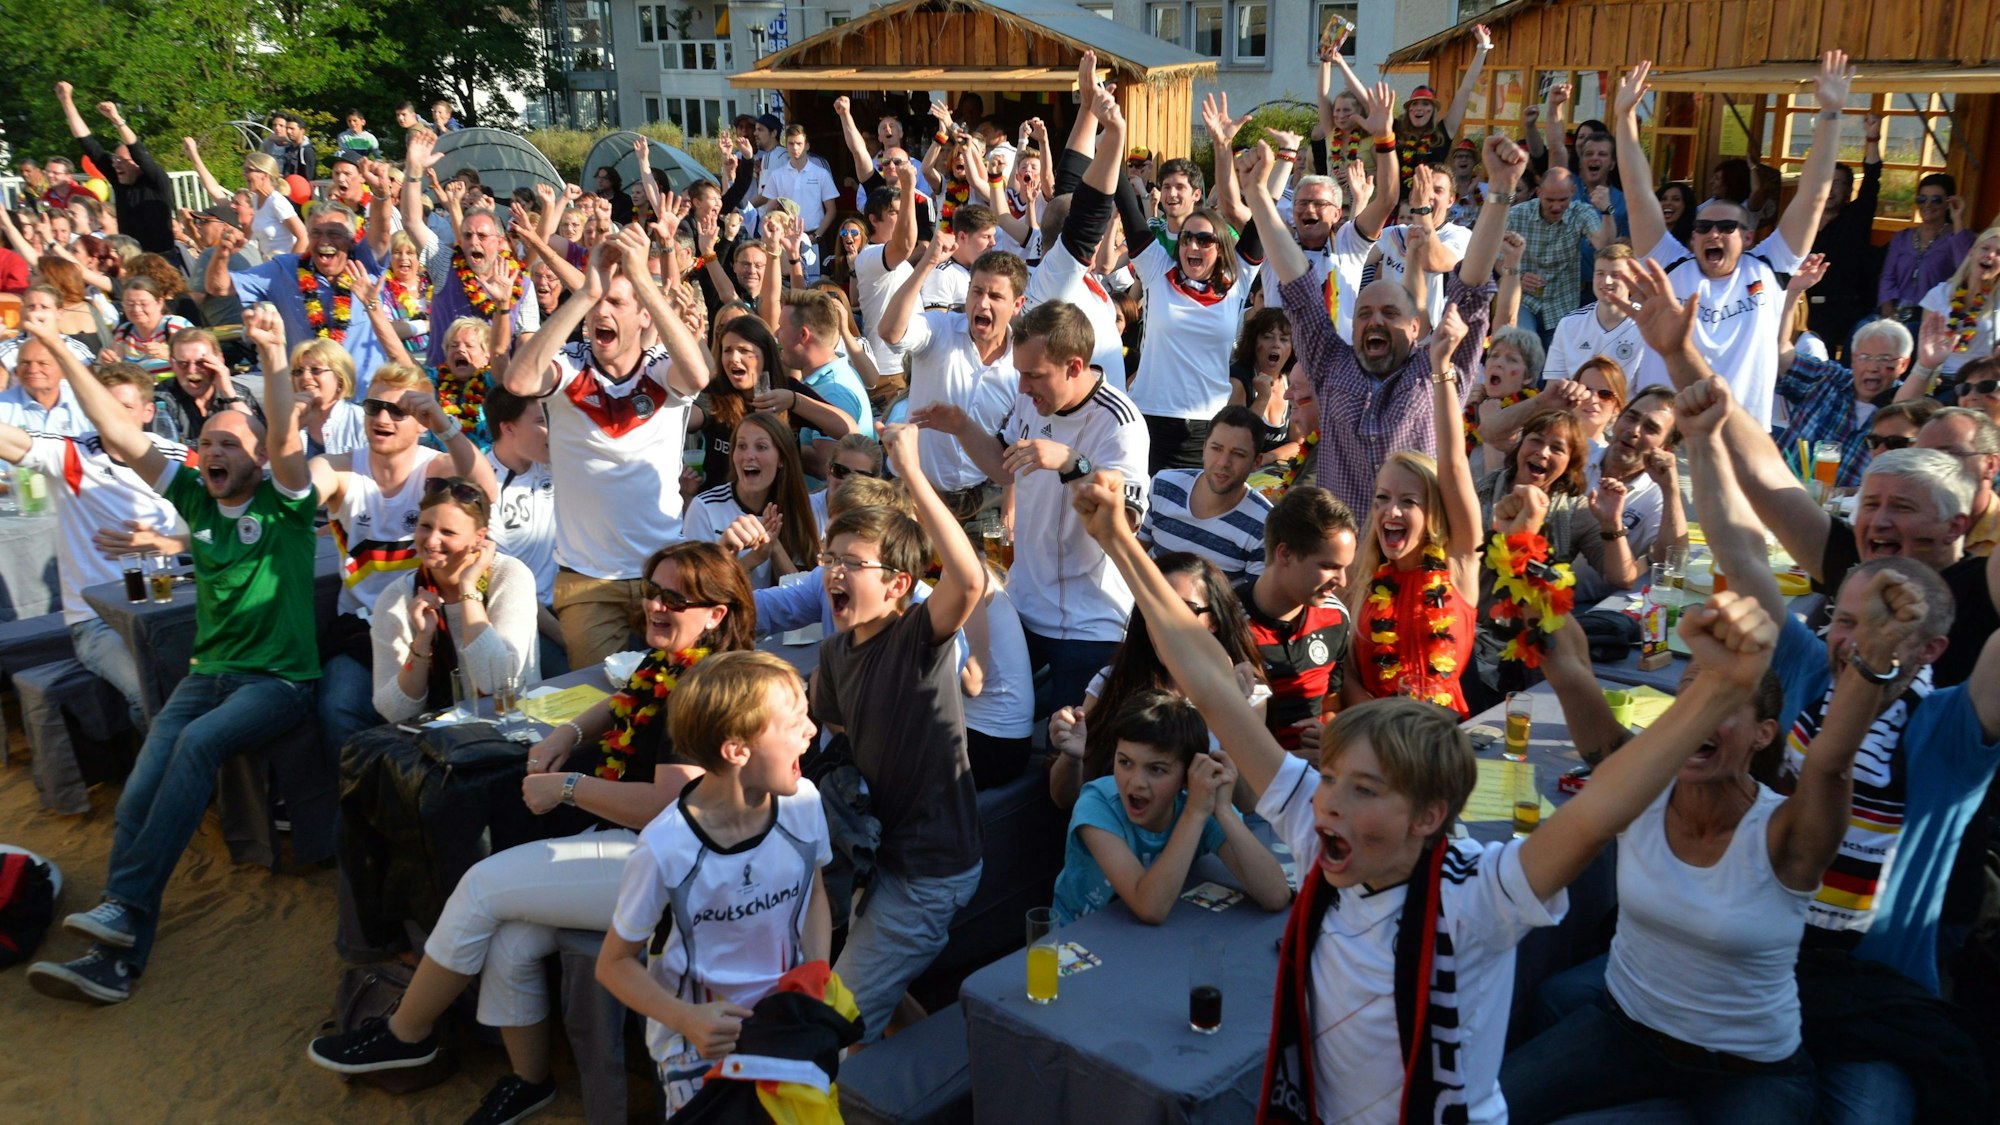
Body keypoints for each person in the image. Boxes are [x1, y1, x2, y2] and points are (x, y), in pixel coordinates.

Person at [1070, 451, 1781, 1125]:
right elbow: (1205, 678)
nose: (1326, 801)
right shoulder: (1317, 835)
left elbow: (1600, 809)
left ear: (1429, 815)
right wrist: (1119, 542)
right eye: (1334, 780)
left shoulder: (1482, 896)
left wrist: (1714, 695)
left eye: (1364, 790)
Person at [1498, 414, 1891, 1117]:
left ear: (1763, 733)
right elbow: (1570, 671)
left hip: (1750, 1072)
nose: (1698, 715)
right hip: (1624, 1032)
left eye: (1721, 703)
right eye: (1690, 700)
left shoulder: (1785, 832)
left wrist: (1872, 658)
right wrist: (1523, 540)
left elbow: (1830, 765)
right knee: (1486, 1109)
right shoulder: (1639, 790)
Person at [308, 542, 760, 1121]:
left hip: (674, 870)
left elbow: (667, 806)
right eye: (652, 591)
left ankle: (407, 1031)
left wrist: (566, 787)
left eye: (675, 598)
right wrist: (567, 734)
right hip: (639, 850)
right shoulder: (671, 659)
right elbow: (627, 698)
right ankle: (530, 1080)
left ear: (716, 613)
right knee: (510, 937)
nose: (655, 605)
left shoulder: (706, 687)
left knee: (480, 887)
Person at [24, 307, 321, 1005]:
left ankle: (124, 909)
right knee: (137, 795)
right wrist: (55, 349)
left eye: (229, 443)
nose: (213, 451)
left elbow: (282, 432)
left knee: (193, 748)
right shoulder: (192, 491)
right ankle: (116, 958)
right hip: (208, 674)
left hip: (278, 682)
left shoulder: (285, 503)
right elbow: (121, 434)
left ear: (258, 458)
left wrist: (274, 356)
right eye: (208, 441)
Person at [1614, 254, 2000, 689]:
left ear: (1957, 525)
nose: (1878, 519)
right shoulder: (1858, 564)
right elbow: (1764, 474)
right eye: (1871, 503)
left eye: (1903, 506)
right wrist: (1679, 354)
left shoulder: (1980, 592)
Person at [597, 650, 830, 1115]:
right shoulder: (666, 847)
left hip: (787, 1024)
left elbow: (815, 893)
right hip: (697, 1050)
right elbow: (613, 965)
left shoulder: (804, 802)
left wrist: (815, 976)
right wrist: (687, 1018)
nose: (813, 731)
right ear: (737, 750)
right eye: (795, 721)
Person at [812, 421, 986, 1044]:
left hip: (930, 868)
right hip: (879, 856)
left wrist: (911, 470)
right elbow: (839, 737)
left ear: (897, 586)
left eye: (851, 563)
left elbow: (969, 582)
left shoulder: (917, 638)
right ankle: (948, 1070)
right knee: (872, 985)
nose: (834, 572)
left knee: (833, 1026)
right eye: (830, 558)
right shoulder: (833, 656)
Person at [1255, 131, 1513, 531]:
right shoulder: (1329, 361)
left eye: (1389, 312)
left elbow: (1473, 287)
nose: (1374, 321)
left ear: (1415, 327)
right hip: (1343, 560)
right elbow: (1300, 286)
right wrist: (1257, 195)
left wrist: (1499, 191)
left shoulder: (1440, 371)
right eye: (1364, 313)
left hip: (1414, 563)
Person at [912, 300, 1150, 715]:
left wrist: (1072, 464)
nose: (1021, 387)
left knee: (1064, 748)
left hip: (1091, 623)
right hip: (1024, 603)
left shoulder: (1121, 422)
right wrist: (962, 426)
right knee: (969, 711)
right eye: (1020, 373)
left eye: (1033, 375)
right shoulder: (1031, 400)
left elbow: (1125, 523)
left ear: (1074, 367)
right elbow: (1004, 469)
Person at [500, 227, 713, 670]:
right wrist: (586, 291)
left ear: (643, 317)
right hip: (588, 583)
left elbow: (697, 377)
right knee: (597, 705)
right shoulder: (568, 365)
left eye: (616, 303)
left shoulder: (660, 370)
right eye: (598, 304)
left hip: (664, 576)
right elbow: (518, 382)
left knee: (670, 696)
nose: (603, 311)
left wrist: (641, 276)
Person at [1614, 53, 1854, 428]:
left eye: (1727, 228)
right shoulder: (1670, 264)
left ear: (1747, 236)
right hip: (1662, 436)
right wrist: (1625, 118)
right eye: (1704, 227)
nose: (1714, 234)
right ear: (1692, 236)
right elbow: (1636, 192)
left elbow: (1813, 195)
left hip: (1739, 443)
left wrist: (1831, 114)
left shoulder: (1770, 266)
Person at [310, 361, 497, 759]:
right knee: (336, 706)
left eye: (398, 411)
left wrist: (445, 424)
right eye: (374, 406)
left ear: (421, 423)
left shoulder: (436, 466)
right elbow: (303, 490)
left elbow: (488, 490)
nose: (382, 418)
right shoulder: (340, 467)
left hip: (429, 619)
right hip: (361, 626)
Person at [0, 361, 184, 743]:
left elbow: (226, 522)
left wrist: (171, 543)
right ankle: (169, 785)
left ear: (148, 412)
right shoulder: (73, 454)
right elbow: (13, 441)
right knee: (150, 693)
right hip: (98, 621)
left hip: (168, 606)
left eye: (126, 409)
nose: (113, 419)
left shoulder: (175, 458)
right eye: (106, 407)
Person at [1047, 552, 1268, 809]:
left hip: (1205, 844)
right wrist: (1072, 758)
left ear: (1214, 621)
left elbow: (1246, 804)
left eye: (1185, 610)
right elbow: (1065, 799)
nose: (1164, 622)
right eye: (1154, 606)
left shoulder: (1247, 694)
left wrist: (1232, 714)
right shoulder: (1112, 682)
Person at [1052, 690, 1289, 925]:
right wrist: (1194, 814)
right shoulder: (1098, 804)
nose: (1136, 782)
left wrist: (1224, 809)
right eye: (1125, 762)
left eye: (1156, 769)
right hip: (1078, 943)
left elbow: (1276, 895)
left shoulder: (1198, 801)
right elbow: (1150, 908)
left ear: (1188, 776)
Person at [876, 235, 1025, 523]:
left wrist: (1010, 507)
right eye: (976, 292)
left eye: (995, 297)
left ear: (1017, 305)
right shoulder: (939, 330)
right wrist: (927, 264)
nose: (982, 304)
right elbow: (890, 332)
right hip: (910, 493)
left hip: (977, 502)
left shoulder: (1022, 366)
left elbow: (1016, 444)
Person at [367, 477, 538, 722]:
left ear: (479, 537)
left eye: (448, 532)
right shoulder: (397, 598)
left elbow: (499, 684)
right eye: (425, 526)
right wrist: (423, 641)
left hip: (514, 726)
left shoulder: (509, 575)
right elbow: (394, 711)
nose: (432, 541)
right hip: (439, 740)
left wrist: (468, 589)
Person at [1230, 485, 1359, 753]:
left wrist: (1330, 738)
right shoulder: (1226, 622)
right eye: (1329, 566)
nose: (1343, 582)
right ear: (1285, 554)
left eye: (1345, 568)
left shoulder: (1336, 617)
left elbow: (1330, 706)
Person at [682, 411, 820, 589]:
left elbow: (806, 597)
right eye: (741, 446)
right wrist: (754, 559)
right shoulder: (705, 507)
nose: (748, 455)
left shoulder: (798, 509)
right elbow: (695, 590)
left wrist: (775, 548)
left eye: (761, 447)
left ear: (782, 459)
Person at [1776, 312, 1913, 489]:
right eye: (1865, 357)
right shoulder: (1827, 377)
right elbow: (1781, 351)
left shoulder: (1904, 406)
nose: (1872, 367)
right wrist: (1794, 291)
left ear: (1903, 364)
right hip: (1780, 495)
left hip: (1845, 513)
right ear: (1854, 359)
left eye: (1884, 359)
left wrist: (1846, 494)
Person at [479, 386, 562, 674]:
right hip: (525, 619)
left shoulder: (555, 465)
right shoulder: (485, 488)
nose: (551, 430)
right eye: (541, 421)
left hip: (574, 603)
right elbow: (512, 587)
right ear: (508, 428)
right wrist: (565, 637)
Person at [1139, 405, 1272, 583]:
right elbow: (1135, 555)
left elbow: (1252, 604)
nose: (1224, 462)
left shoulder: (1264, 525)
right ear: (1203, 448)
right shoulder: (1164, 486)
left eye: (1238, 454)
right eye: (1216, 448)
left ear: (1256, 462)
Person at [53, 85, 176, 255]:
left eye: (121, 161)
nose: (116, 165)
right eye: (114, 160)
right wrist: (66, 101)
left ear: (136, 164)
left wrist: (116, 119)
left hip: (162, 258)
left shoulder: (157, 182)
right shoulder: (120, 182)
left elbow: (137, 150)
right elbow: (88, 144)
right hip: (131, 259)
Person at [1506, 167, 1617, 342]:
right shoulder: (1516, 214)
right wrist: (1518, 278)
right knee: (1524, 347)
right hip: (1524, 300)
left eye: (1563, 200)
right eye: (1549, 200)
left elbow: (1605, 246)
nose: (1556, 207)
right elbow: (1496, 260)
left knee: (1555, 365)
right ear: (1538, 192)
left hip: (1562, 305)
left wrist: (1606, 211)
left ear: (1573, 191)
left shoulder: (1581, 212)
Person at [1878, 174, 1974, 331]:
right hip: (1896, 311)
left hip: (1932, 315)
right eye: (1922, 199)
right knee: (1859, 330)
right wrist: (1887, 312)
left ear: (1948, 203)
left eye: (1936, 200)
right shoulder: (1902, 237)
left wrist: (1957, 220)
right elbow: (1888, 277)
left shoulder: (1960, 237)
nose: (1927, 205)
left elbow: (1965, 270)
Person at [1544, 243, 1647, 383]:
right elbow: (1554, 387)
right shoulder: (1568, 324)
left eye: (1615, 275)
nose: (1606, 281)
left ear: (1633, 280)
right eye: (1600, 273)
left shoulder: (1647, 325)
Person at [1917, 223, 2000, 382]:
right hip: (1939, 379)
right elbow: (1925, 346)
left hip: (1979, 381)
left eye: (1999, 253)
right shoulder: (1939, 294)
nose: (1990, 255)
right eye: (1985, 248)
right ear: (1971, 253)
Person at [1916, 406, 2000, 559]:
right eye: (1922, 456)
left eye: (1947, 455)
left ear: (1990, 465)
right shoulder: (1904, 526)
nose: (1929, 466)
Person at [152, 329, 263, 443]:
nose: (192, 370)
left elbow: (258, 441)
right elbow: (166, 449)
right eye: (183, 364)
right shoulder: (161, 398)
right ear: (172, 364)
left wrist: (229, 394)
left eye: (201, 363)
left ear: (219, 360)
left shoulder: (239, 393)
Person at [755, 125, 840, 251]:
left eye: (799, 143)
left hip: (813, 238)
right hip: (785, 238)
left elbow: (831, 210)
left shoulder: (821, 174)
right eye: (791, 143)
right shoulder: (777, 175)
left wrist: (816, 236)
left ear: (807, 145)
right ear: (787, 145)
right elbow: (770, 208)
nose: (795, 148)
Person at [0, 336, 90, 436]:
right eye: (25, 363)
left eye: (43, 363)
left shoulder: (84, 405)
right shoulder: (3, 406)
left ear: (63, 370)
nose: (33, 370)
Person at [291, 338, 367, 457]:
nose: (305, 377)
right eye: (299, 371)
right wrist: (291, 427)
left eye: (316, 370)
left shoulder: (361, 422)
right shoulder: (288, 420)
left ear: (340, 379)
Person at [101, 276, 190, 376]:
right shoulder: (123, 332)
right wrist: (109, 361)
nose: (136, 309)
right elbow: (117, 367)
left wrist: (170, 355)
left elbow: (198, 359)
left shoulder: (175, 325)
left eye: (143, 304)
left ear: (159, 303)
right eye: (130, 304)